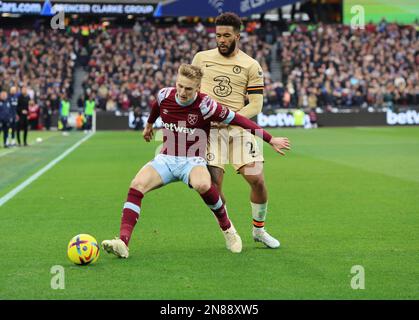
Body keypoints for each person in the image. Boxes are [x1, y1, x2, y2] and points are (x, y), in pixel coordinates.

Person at [101, 64, 290, 258]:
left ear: (198, 88)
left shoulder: (206, 105)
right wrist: (149, 125)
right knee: (136, 185)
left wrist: (269, 139)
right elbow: (156, 107)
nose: (182, 92)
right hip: (166, 158)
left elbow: (240, 120)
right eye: (180, 86)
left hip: (192, 160)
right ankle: (122, 242)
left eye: (189, 88)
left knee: (203, 184)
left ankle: (228, 231)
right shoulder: (164, 95)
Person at [192, 12, 281, 248]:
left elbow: (256, 104)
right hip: (209, 132)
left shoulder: (251, 65)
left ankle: (259, 230)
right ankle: (230, 230)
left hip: (238, 128)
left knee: (257, 179)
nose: (221, 39)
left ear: (237, 36)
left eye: (226, 35)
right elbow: (190, 91)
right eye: (218, 35)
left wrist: (231, 118)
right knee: (213, 187)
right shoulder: (201, 58)